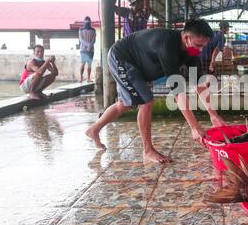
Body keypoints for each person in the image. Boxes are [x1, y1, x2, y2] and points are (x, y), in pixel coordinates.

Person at [85, 19, 227, 164]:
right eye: (199, 45)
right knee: (146, 101)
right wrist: (195, 127)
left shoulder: (191, 52)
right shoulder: (167, 46)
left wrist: (214, 116)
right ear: (186, 37)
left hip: (137, 63)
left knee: (126, 104)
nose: (201, 50)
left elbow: (200, 85)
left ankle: (94, 130)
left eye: (204, 46)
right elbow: (179, 93)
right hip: (122, 57)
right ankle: (147, 150)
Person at [78, 16, 96, 82]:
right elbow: (81, 39)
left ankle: (88, 78)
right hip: (84, 50)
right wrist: (89, 45)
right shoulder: (81, 29)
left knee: (89, 64)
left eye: (88, 21)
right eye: (86, 20)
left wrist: (89, 46)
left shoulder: (93, 30)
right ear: (84, 22)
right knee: (83, 63)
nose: (87, 22)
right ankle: (81, 77)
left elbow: (94, 40)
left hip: (90, 50)